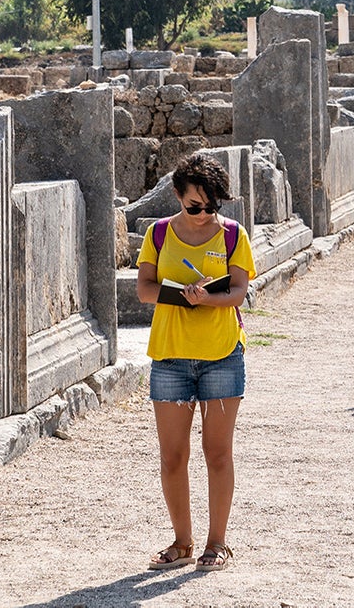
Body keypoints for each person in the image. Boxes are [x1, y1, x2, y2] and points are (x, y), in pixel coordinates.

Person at [135, 155, 256, 573]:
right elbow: (144, 291)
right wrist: (180, 295)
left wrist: (207, 298)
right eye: (194, 206)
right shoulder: (159, 233)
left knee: (218, 453)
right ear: (177, 197)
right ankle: (182, 542)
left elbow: (239, 292)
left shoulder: (232, 235)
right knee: (172, 456)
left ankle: (217, 543)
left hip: (222, 355)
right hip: (170, 356)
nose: (204, 214)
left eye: (211, 206)